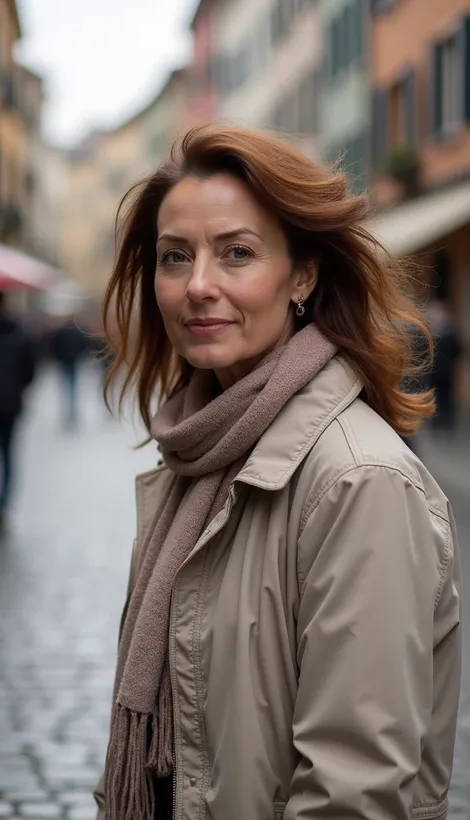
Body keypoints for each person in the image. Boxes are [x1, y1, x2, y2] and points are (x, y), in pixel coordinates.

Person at [95, 125, 461, 820]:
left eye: (236, 253)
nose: (199, 285)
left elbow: (352, 797)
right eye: (175, 258)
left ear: (302, 274)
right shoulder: (195, 459)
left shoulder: (359, 481)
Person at [0, 291, 36, 537]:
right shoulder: (20, 334)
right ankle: (2, 508)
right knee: (8, 457)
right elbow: (29, 373)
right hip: (10, 405)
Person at [428, 299, 462, 432]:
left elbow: (457, 351)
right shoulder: (431, 333)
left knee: (447, 398)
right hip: (433, 372)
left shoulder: (450, 333)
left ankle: (447, 423)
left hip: (447, 372)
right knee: (435, 397)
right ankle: (435, 422)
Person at [49, 316, 87, 427]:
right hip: (72, 362)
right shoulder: (76, 332)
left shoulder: (61, 333)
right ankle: (71, 410)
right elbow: (83, 345)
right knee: (72, 386)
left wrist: (58, 358)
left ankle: (69, 410)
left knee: (67, 386)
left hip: (65, 362)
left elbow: (53, 347)